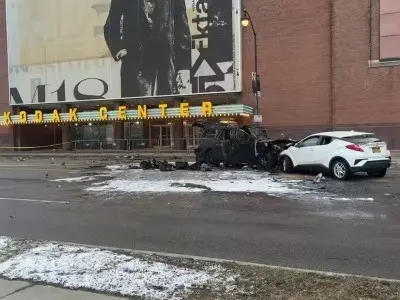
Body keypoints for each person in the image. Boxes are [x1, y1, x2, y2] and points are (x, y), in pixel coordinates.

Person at [104, 0, 191, 98]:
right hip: (135, 68)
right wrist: (118, 49)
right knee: (135, 111)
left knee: (165, 110)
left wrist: (183, 67)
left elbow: (182, 28)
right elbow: (111, 25)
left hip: (165, 68)